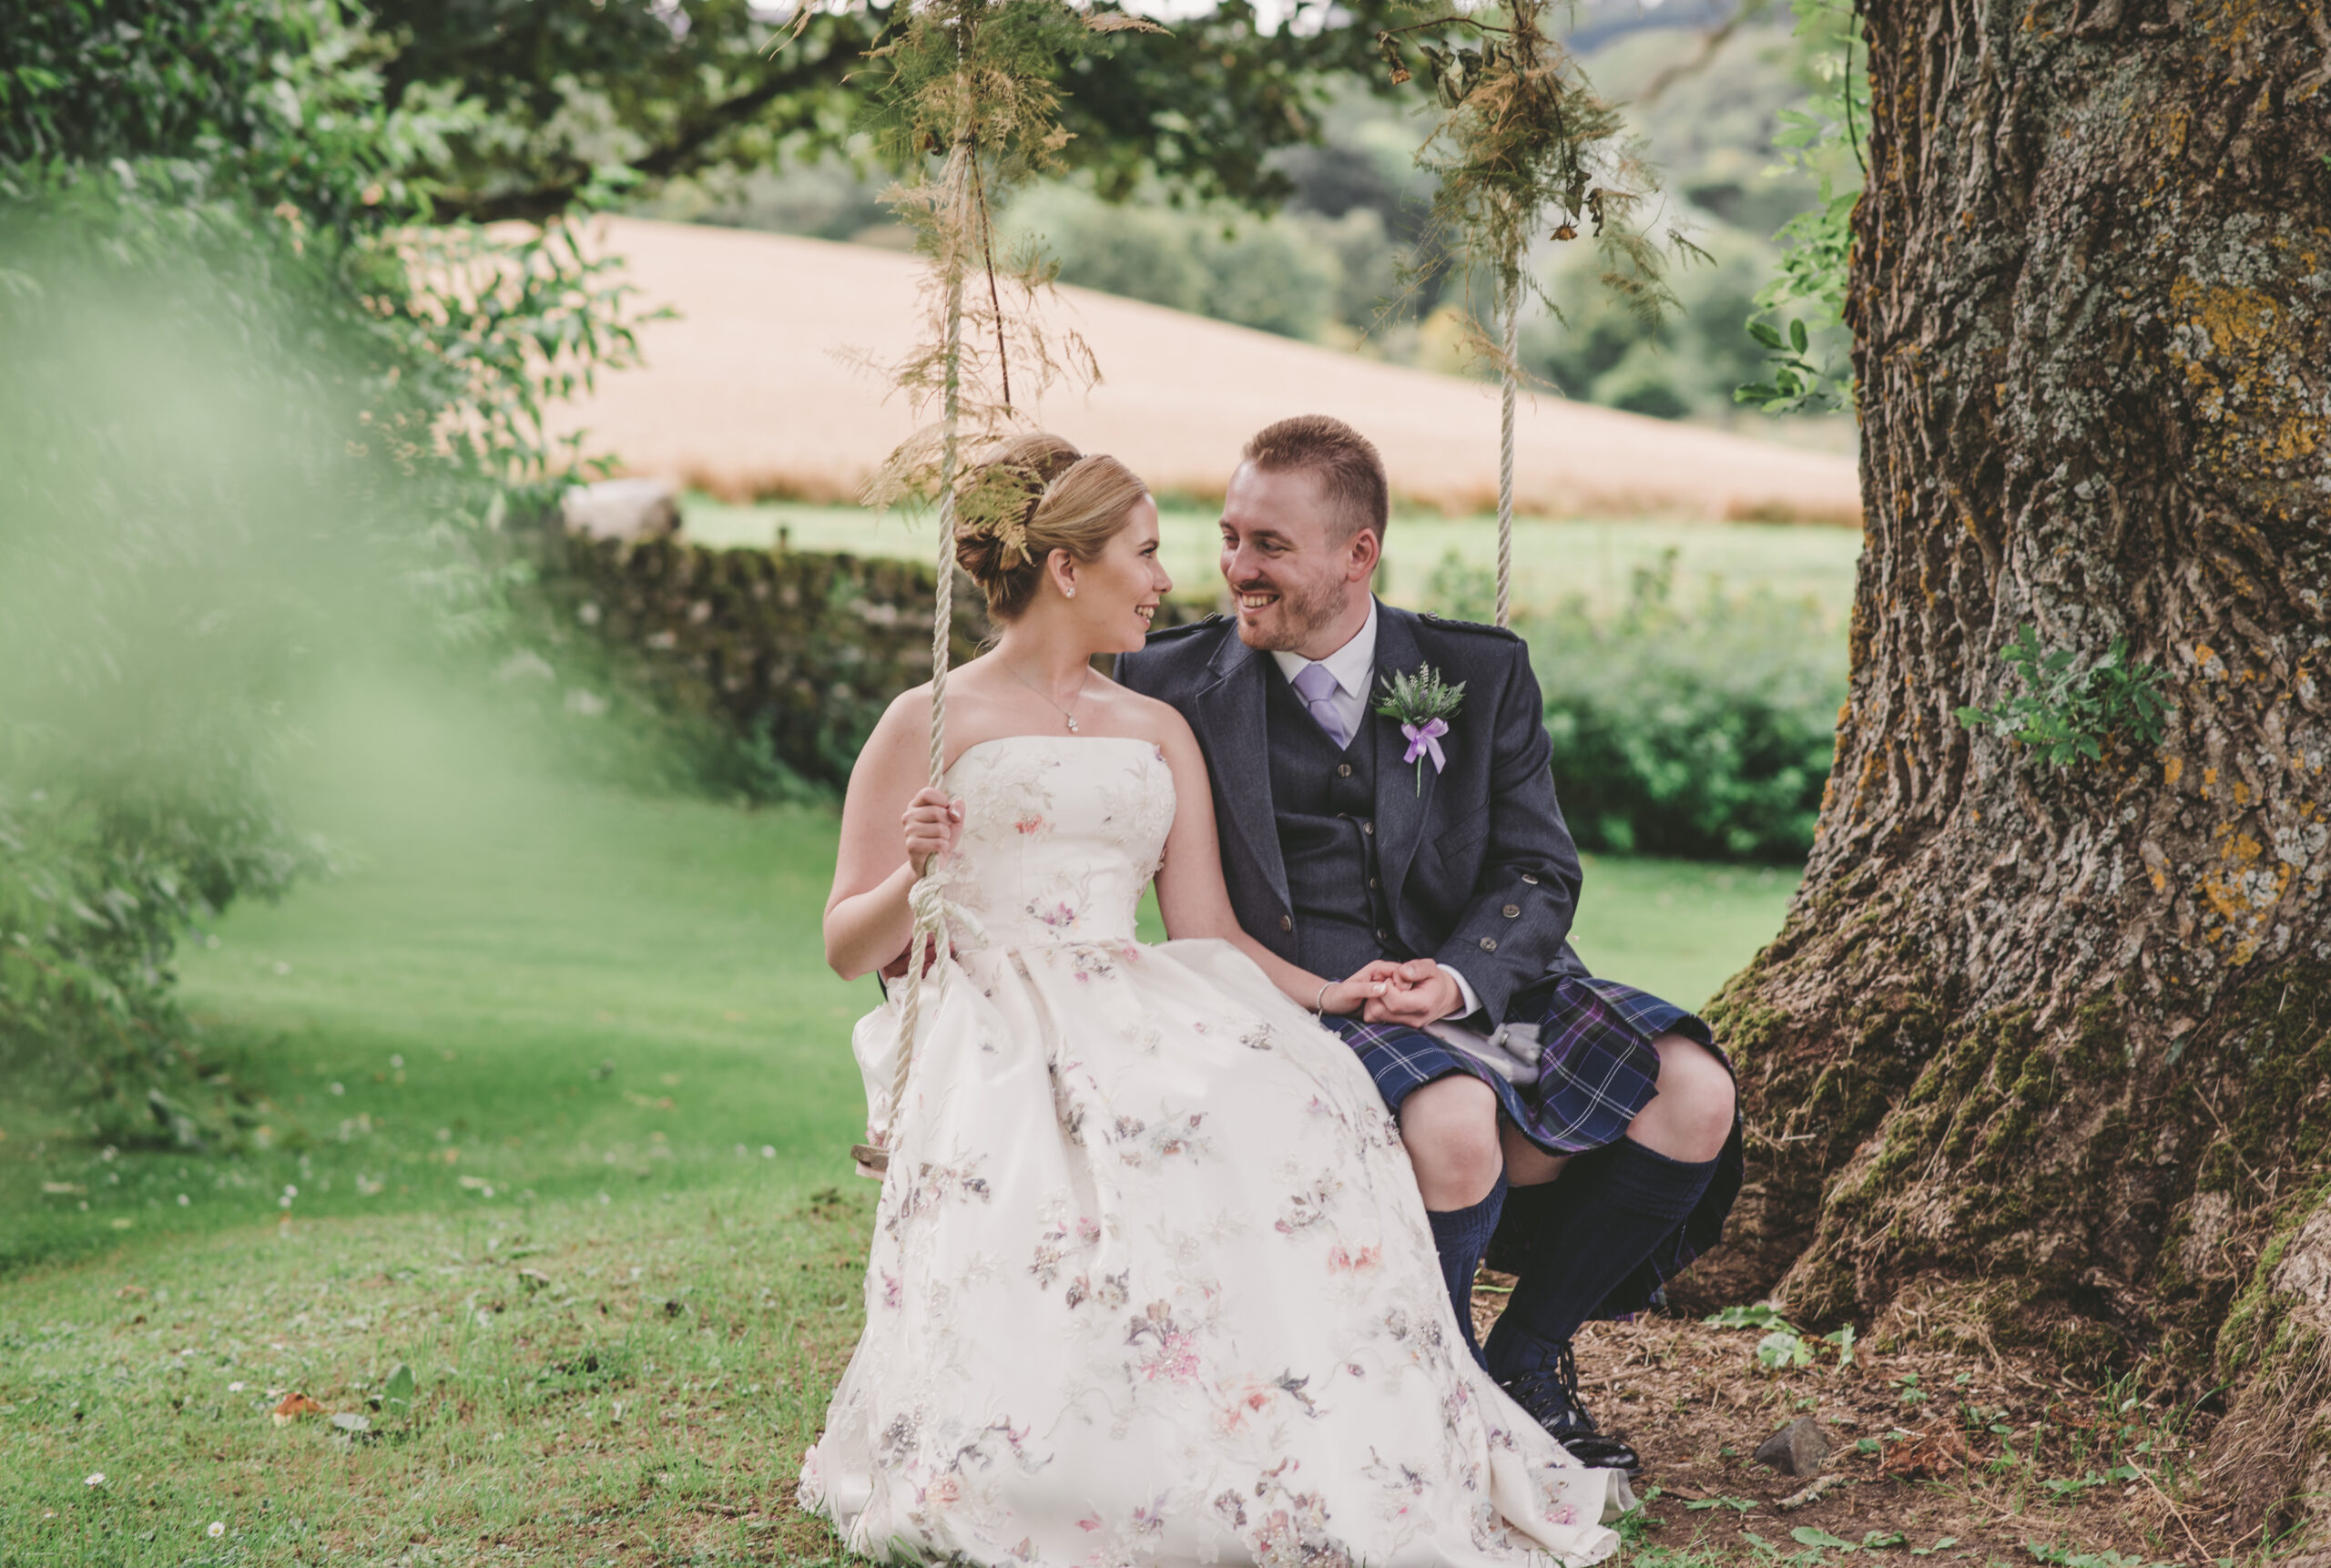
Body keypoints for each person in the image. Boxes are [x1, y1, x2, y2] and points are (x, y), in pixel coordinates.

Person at [799, 433, 1629, 1567]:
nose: (1167, 578)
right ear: (1066, 570)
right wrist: (917, 872)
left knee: (1287, 1107)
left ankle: (1289, 1423)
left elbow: (1209, 932)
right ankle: (1056, 1447)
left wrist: (1333, 993)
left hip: (1131, 989)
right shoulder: (930, 720)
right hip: (989, 1013)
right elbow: (852, 948)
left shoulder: (1156, 725)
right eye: (1145, 553)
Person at [1115, 415, 1743, 1476]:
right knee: (1456, 1124)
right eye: (1228, 538)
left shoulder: (1476, 672)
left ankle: (1525, 1363)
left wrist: (1457, 977)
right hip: (1295, 1000)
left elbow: (1539, 870)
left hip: (1472, 982)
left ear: (1358, 554)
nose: (1234, 570)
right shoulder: (1164, 681)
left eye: (1267, 545)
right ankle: (1433, 1392)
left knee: (1694, 1090)